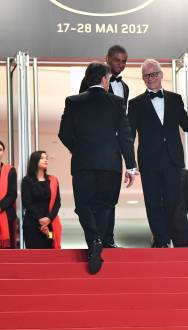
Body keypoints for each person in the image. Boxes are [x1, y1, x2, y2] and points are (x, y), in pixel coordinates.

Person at [59, 62, 137, 274]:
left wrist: (80, 149)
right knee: (105, 205)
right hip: (109, 164)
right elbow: (125, 136)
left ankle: (94, 240)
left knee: (83, 205)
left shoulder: (73, 101)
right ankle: (99, 242)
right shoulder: (117, 102)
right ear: (104, 79)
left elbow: (64, 134)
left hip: (83, 164)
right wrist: (131, 165)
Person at [128, 59, 188, 248]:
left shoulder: (175, 98)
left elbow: (186, 124)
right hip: (149, 160)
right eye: (147, 75)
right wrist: (128, 162)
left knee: (173, 200)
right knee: (153, 201)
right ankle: (160, 240)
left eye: (154, 74)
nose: (151, 78)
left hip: (173, 159)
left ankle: (166, 235)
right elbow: (128, 134)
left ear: (161, 75)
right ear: (143, 78)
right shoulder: (135, 103)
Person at [103, 44, 130, 248]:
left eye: (124, 61)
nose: (120, 64)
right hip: (98, 146)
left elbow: (124, 122)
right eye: (117, 60)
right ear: (107, 59)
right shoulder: (92, 82)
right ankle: (96, 239)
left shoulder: (125, 87)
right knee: (97, 196)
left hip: (115, 148)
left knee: (112, 195)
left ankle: (108, 239)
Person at [21, 150, 62, 249]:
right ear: (35, 161)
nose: (46, 160)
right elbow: (27, 203)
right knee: (34, 255)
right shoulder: (27, 181)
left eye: (47, 158)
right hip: (31, 225)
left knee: (50, 248)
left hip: (50, 226)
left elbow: (57, 203)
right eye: (42, 158)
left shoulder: (53, 180)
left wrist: (48, 219)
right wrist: (40, 219)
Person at [168, 168, 188, 248]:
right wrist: (184, 210)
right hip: (180, 217)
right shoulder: (184, 173)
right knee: (182, 253)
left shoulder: (157, 172)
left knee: (162, 254)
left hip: (164, 219)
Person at [0, 140, 17, 249]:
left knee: (7, 252)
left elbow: (12, 194)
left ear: (3, 152)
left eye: (0, 150)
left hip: (6, 214)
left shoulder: (10, 170)